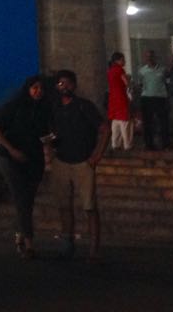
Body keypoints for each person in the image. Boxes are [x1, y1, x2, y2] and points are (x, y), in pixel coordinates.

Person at [49, 69, 110, 261]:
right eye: (60, 83)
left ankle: (94, 248)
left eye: (67, 83)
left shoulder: (84, 106)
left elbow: (104, 129)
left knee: (89, 206)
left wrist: (97, 154)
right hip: (61, 160)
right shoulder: (55, 108)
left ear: (74, 85)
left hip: (83, 161)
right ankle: (67, 244)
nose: (64, 86)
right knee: (64, 206)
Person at [0, 75, 51, 259]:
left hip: (33, 157)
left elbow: (44, 134)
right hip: (10, 157)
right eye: (34, 88)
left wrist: (49, 145)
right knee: (21, 197)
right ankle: (29, 242)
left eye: (41, 88)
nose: (38, 91)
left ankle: (20, 234)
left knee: (28, 199)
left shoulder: (43, 109)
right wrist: (11, 149)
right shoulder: (16, 106)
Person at [138, 49, 170, 150]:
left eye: (151, 56)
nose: (149, 58)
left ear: (154, 57)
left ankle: (165, 143)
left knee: (163, 122)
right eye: (147, 56)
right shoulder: (142, 71)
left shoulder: (163, 70)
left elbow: (168, 82)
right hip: (147, 98)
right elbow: (140, 84)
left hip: (160, 98)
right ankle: (149, 144)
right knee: (147, 122)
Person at [106, 52, 133, 151]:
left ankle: (115, 144)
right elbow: (126, 83)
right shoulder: (119, 70)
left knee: (115, 122)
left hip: (113, 98)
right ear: (118, 60)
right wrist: (129, 81)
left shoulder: (110, 70)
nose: (124, 61)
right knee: (125, 122)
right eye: (123, 59)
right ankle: (127, 144)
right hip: (121, 97)